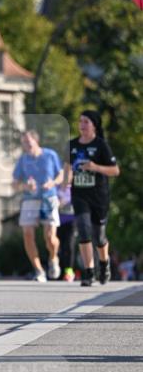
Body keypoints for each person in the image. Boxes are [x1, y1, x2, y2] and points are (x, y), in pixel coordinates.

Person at [64, 110, 119, 287]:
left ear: (94, 125)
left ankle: (104, 264)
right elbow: (67, 168)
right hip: (79, 194)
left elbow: (115, 170)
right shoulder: (71, 145)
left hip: (99, 196)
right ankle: (89, 272)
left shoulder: (101, 145)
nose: (82, 125)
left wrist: (95, 167)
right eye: (80, 121)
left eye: (86, 121)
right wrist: (65, 182)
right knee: (83, 230)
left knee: (99, 237)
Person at [13, 130, 63, 282]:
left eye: (28, 141)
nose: (26, 144)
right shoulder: (23, 160)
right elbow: (15, 184)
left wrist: (52, 183)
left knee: (50, 237)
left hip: (49, 198)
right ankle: (39, 270)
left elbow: (61, 175)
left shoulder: (50, 155)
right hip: (30, 200)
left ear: (36, 140)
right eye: (24, 142)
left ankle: (53, 259)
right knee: (27, 234)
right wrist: (25, 186)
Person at [56, 183, 77, 282]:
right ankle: (58, 271)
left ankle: (69, 271)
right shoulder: (56, 187)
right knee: (58, 247)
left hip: (71, 221)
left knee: (69, 245)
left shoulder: (74, 186)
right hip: (57, 222)